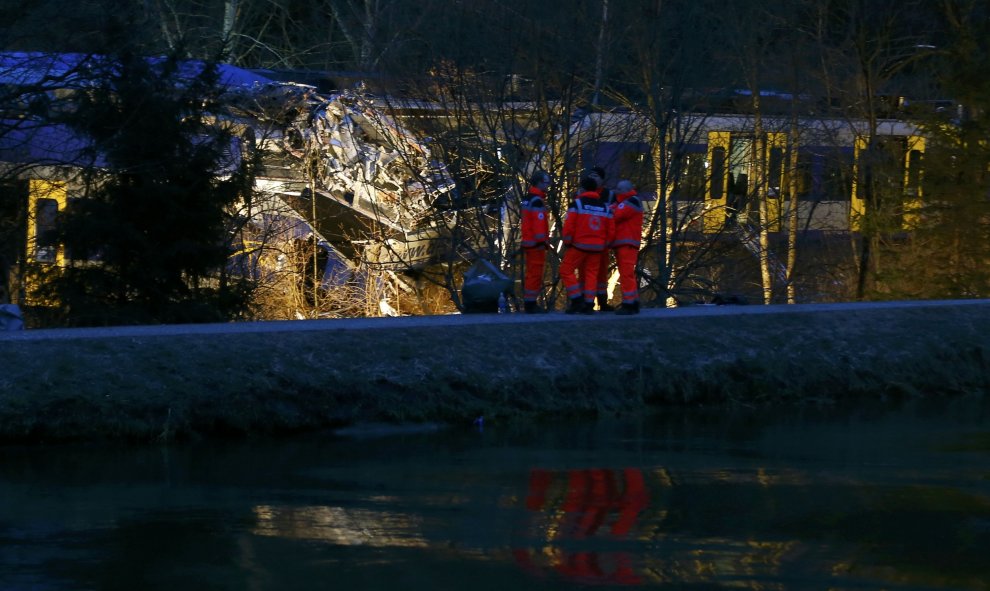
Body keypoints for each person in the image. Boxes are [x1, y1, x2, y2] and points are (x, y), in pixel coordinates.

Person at [559, 176, 613, 314]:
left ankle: (577, 299)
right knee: (591, 274)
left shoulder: (577, 204)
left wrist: (567, 241)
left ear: (582, 189)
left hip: (579, 245)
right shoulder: (604, 207)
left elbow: (569, 226)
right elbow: (611, 229)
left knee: (566, 270)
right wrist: (605, 243)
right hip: (598, 247)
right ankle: (589, 304)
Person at [610, 179, 643, 315]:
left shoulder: (631, 201)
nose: (617, 191)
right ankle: (633, 301)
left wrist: (611, 208)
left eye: (619, 189)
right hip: (626, 243)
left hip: (627, 243)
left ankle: (628, 303)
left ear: (625, 190)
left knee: (626, 274)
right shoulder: (628, 202)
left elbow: (617, 215)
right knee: (627, 273)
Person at [520, 171, 551, 313]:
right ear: (539, 182)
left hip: (528, 241)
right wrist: (542, 241)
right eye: (546, 182)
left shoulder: (527, 199)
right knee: (535, 273)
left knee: (530, 272)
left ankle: (529, 301)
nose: (548, 185)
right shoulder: (537, 201)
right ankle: (531, 303)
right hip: (535, 244)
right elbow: (538, 223)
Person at [588, 166, 615, 311]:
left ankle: (602, 302)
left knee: (601, 273)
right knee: (588, 272)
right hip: (587, 240)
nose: (593, 178)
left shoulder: (609, 195)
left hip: (603, 240)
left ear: (602, 179)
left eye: (596, 176)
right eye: (591, 176)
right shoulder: (583, 194)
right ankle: (588, 302)